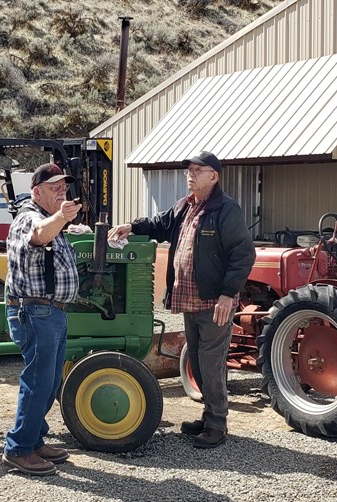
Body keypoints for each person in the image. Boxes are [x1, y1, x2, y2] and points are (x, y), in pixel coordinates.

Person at [109, 151, 255, 448]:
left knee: (211, 363)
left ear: (213, 176)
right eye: (188, 169)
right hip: (189, 301)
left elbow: (243, 254)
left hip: (213, 301)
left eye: (197, 170)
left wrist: (228, 295)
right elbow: (159, 224)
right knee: (198, 364)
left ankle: (217, 425)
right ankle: (209, 415)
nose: (190, 174)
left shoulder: (226, 210)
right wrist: (132, 227)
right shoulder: (185, 207)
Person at [2, 163, 82, 476]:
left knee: (50, 382)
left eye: (64, 187)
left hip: (50, 312)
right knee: (38, 382)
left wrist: (62, 220)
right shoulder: (29, 217)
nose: (62, 191)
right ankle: (19, 449)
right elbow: (38, 234)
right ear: (37, 192)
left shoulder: (52, 221)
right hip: (36, 311)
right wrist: (62, 216)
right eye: (54, 188)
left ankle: (33, 440)